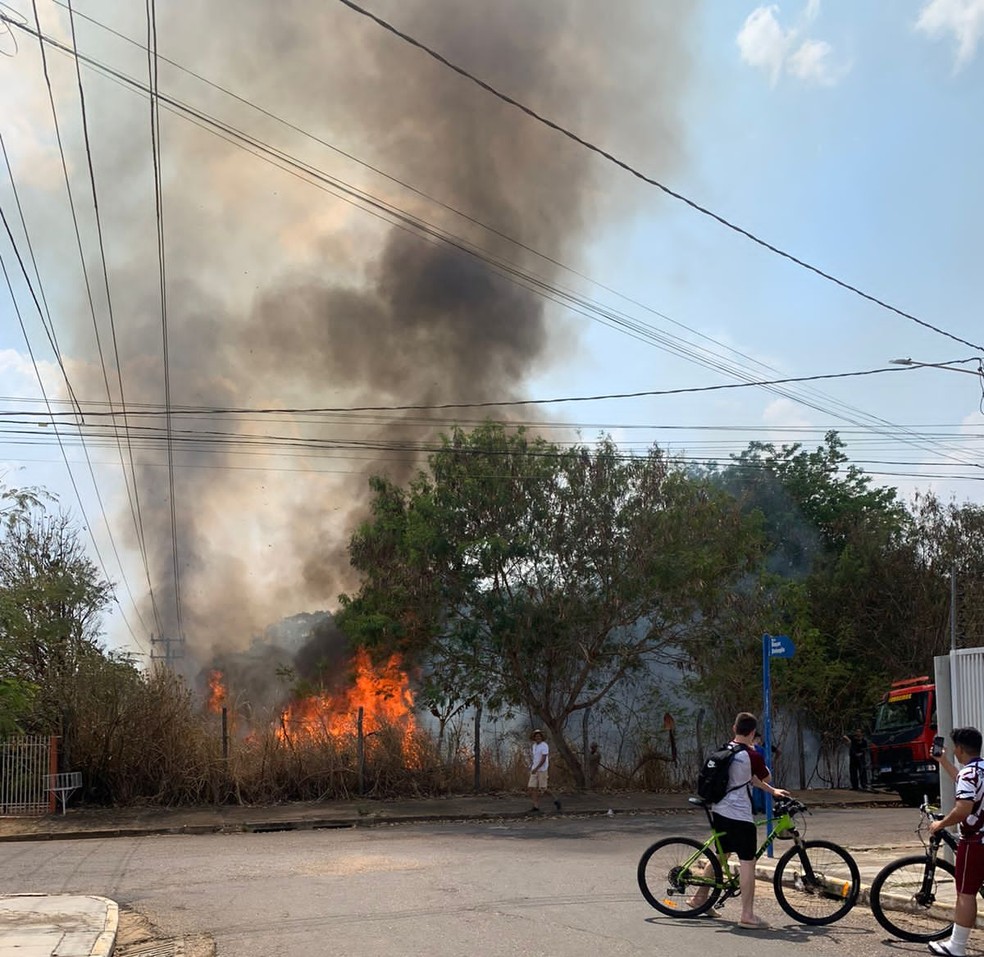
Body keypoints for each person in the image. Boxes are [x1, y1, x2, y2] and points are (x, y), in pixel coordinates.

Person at [690, 712, 791, 929]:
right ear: (753, 732)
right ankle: (747, 915)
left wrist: (772, 792)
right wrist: (759, 760)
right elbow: (764, 776)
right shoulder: (751, 755)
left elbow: (751, 780)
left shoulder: (726, 749)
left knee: (722, 854)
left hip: (720, 810)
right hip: (739, 815)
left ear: (734, 728)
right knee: (747, 862)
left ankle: (700, 899)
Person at [927, 726, 984, 956]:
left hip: (975, 841)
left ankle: (957, 946)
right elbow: (963, 781)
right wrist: (943, 762)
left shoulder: (969, 774)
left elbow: (962, 809)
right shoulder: (978, 770)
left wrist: (939, 825)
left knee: (966, 893)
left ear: (959, 749)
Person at [527, 729, 561, 813]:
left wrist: (536, 768)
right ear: (534, 738)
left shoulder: (544, 745)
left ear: (542, 737)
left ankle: (555, 799)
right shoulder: (534, 746)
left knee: (543, 789)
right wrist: (531, 767)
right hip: (534, 769)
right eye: (536, 736)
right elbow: (535, 758)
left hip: (542, 770)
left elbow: (543, 759)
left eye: (539, 736)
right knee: (532, 787)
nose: (538, 737)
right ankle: (536, 806)